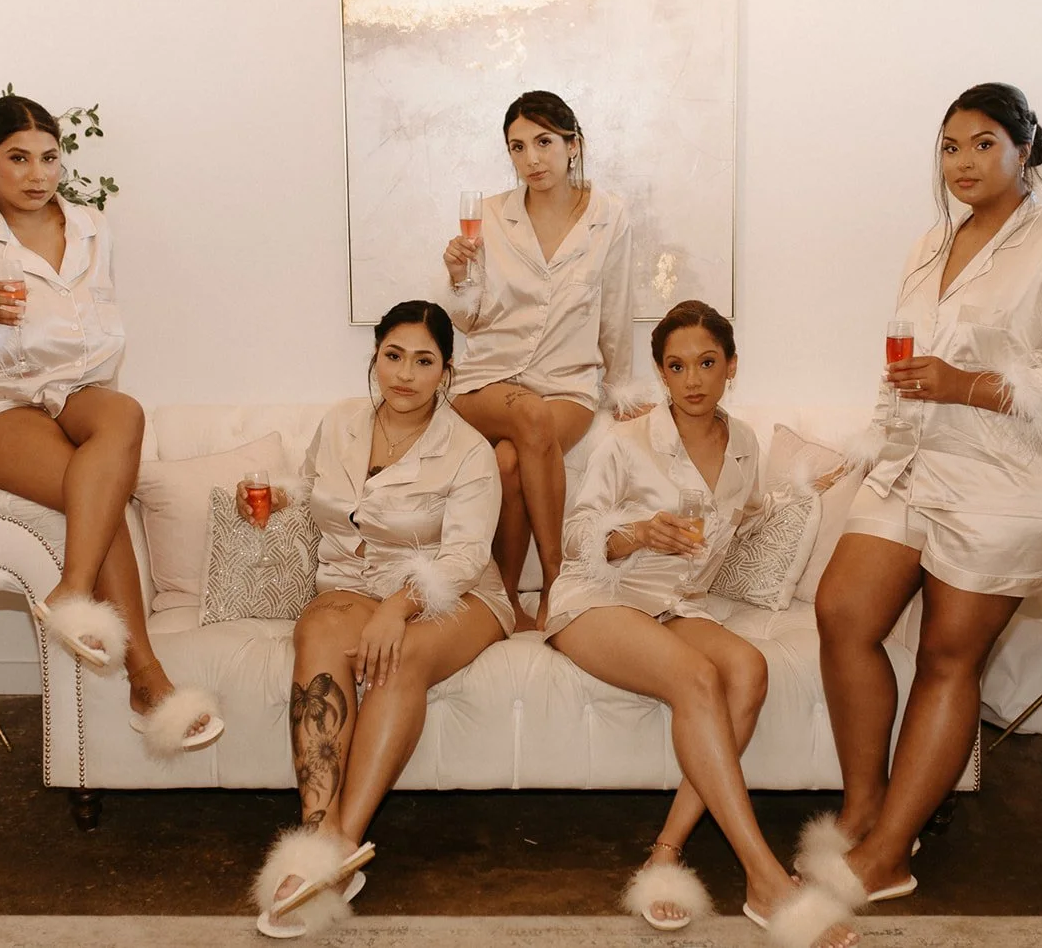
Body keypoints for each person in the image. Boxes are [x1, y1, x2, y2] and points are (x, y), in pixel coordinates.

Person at [803, 83, 1042, 947]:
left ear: (1026, 151)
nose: (964, 163)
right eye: (950, 147)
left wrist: (974, 387)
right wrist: (881, 433)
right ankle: (868, 807)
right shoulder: (929, 243)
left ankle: (887, 857)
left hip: (1008, 479)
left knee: (949, 656)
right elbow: (904, 363)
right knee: (843, 611)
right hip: (917, 462)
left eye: (984, 144)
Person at [0, 95, 221, 757]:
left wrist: (80, 397)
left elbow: (94, 335)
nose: (36, 173)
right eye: (17, 158)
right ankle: (148, 679)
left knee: (123, 414)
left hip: (64, 387)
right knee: (94, 488)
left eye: (48, 157)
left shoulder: (90, 226)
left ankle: (71, 589)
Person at [546, 300, 856, 944]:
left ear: (730, 367)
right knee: (695, 677)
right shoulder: (626, 441)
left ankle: (665, 853)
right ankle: (765, 877)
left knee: (748, 668)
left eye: (707, 364)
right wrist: (634, 532)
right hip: (601, 595)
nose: (692, 380)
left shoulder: (743, 443)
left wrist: (810, 489)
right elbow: (576, 535)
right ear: (661, 374)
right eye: (677, 366)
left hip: (675, 603)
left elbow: (740, 514)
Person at [246, 300, 512, 939]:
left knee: (402, 657)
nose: (405, 374)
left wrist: (400, 608)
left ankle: (340, 849)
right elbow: (316, 492)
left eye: (424, 361)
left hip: (457, 595)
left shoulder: (468, 451)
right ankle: (314, 837)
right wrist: (280, 495)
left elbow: (468, 557)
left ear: (446, 371)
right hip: (352, 583)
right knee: (317, 630)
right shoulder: (339, 423)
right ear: (375, 357)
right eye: (393, 356)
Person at [441, 90, 641, 633]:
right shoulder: (489, 217)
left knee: (509, 458)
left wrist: (621, 391)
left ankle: (505, 595)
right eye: (518, 146)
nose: (532, 158)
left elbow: (618, 310)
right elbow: (468, 317)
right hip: (487, 379)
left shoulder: (609, 217)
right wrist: (460, 275)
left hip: (568, 385)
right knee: (525, 417)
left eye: (544, 142)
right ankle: (557, 578)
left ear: (572, 145)